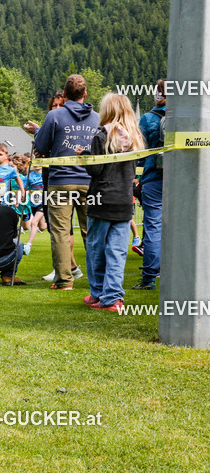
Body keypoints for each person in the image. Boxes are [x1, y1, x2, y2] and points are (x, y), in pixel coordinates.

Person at [76, 93, 146, 312]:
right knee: (118, 252)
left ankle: (98, 294)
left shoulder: (101, 135)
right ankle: (114, 298)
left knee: (96, 249)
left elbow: (96, 169)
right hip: (125, 201)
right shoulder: (134, 136)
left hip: (101, 199)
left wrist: (85, 155)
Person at [33, 74, 100, 290]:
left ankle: (64, 281)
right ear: (85, 93)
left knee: (60, 232)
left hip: (61, 180)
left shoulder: (54, 116)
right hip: (90, 181)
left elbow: (41, 147)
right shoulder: (98, 119)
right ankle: (98, 281)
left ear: (65, 94)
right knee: (92, 231)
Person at [135, 79, 166, 290]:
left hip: (154, 177)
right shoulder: (188, 117)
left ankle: (149, 278)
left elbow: (138, 149)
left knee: (153, 226)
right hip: (186, 181)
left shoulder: (147, 119)